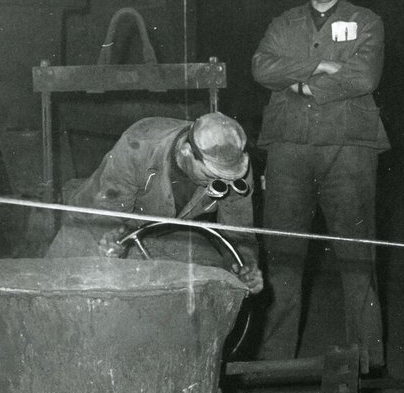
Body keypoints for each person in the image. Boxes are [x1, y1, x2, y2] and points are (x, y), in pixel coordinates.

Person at [251, 0, 389, 369]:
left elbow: (363, 77)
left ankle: (366, 365)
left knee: (357, 257)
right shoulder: (284, 23)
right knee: (283, 256)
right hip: (289, 149)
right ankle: (274, 365)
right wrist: (319, 65)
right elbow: (261, 66)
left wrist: (300, 85)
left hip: (348, 150)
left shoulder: (366, 22)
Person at [44, 111, 264, 293]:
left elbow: (239, 234)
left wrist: (245, 264)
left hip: (157, 232)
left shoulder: (234, 169)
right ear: (186, 151)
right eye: (211, 176)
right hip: (95, 219)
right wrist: (112, 241)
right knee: (57, 288)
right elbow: (109, 215)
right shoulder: (139, 144)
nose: (221, 184)